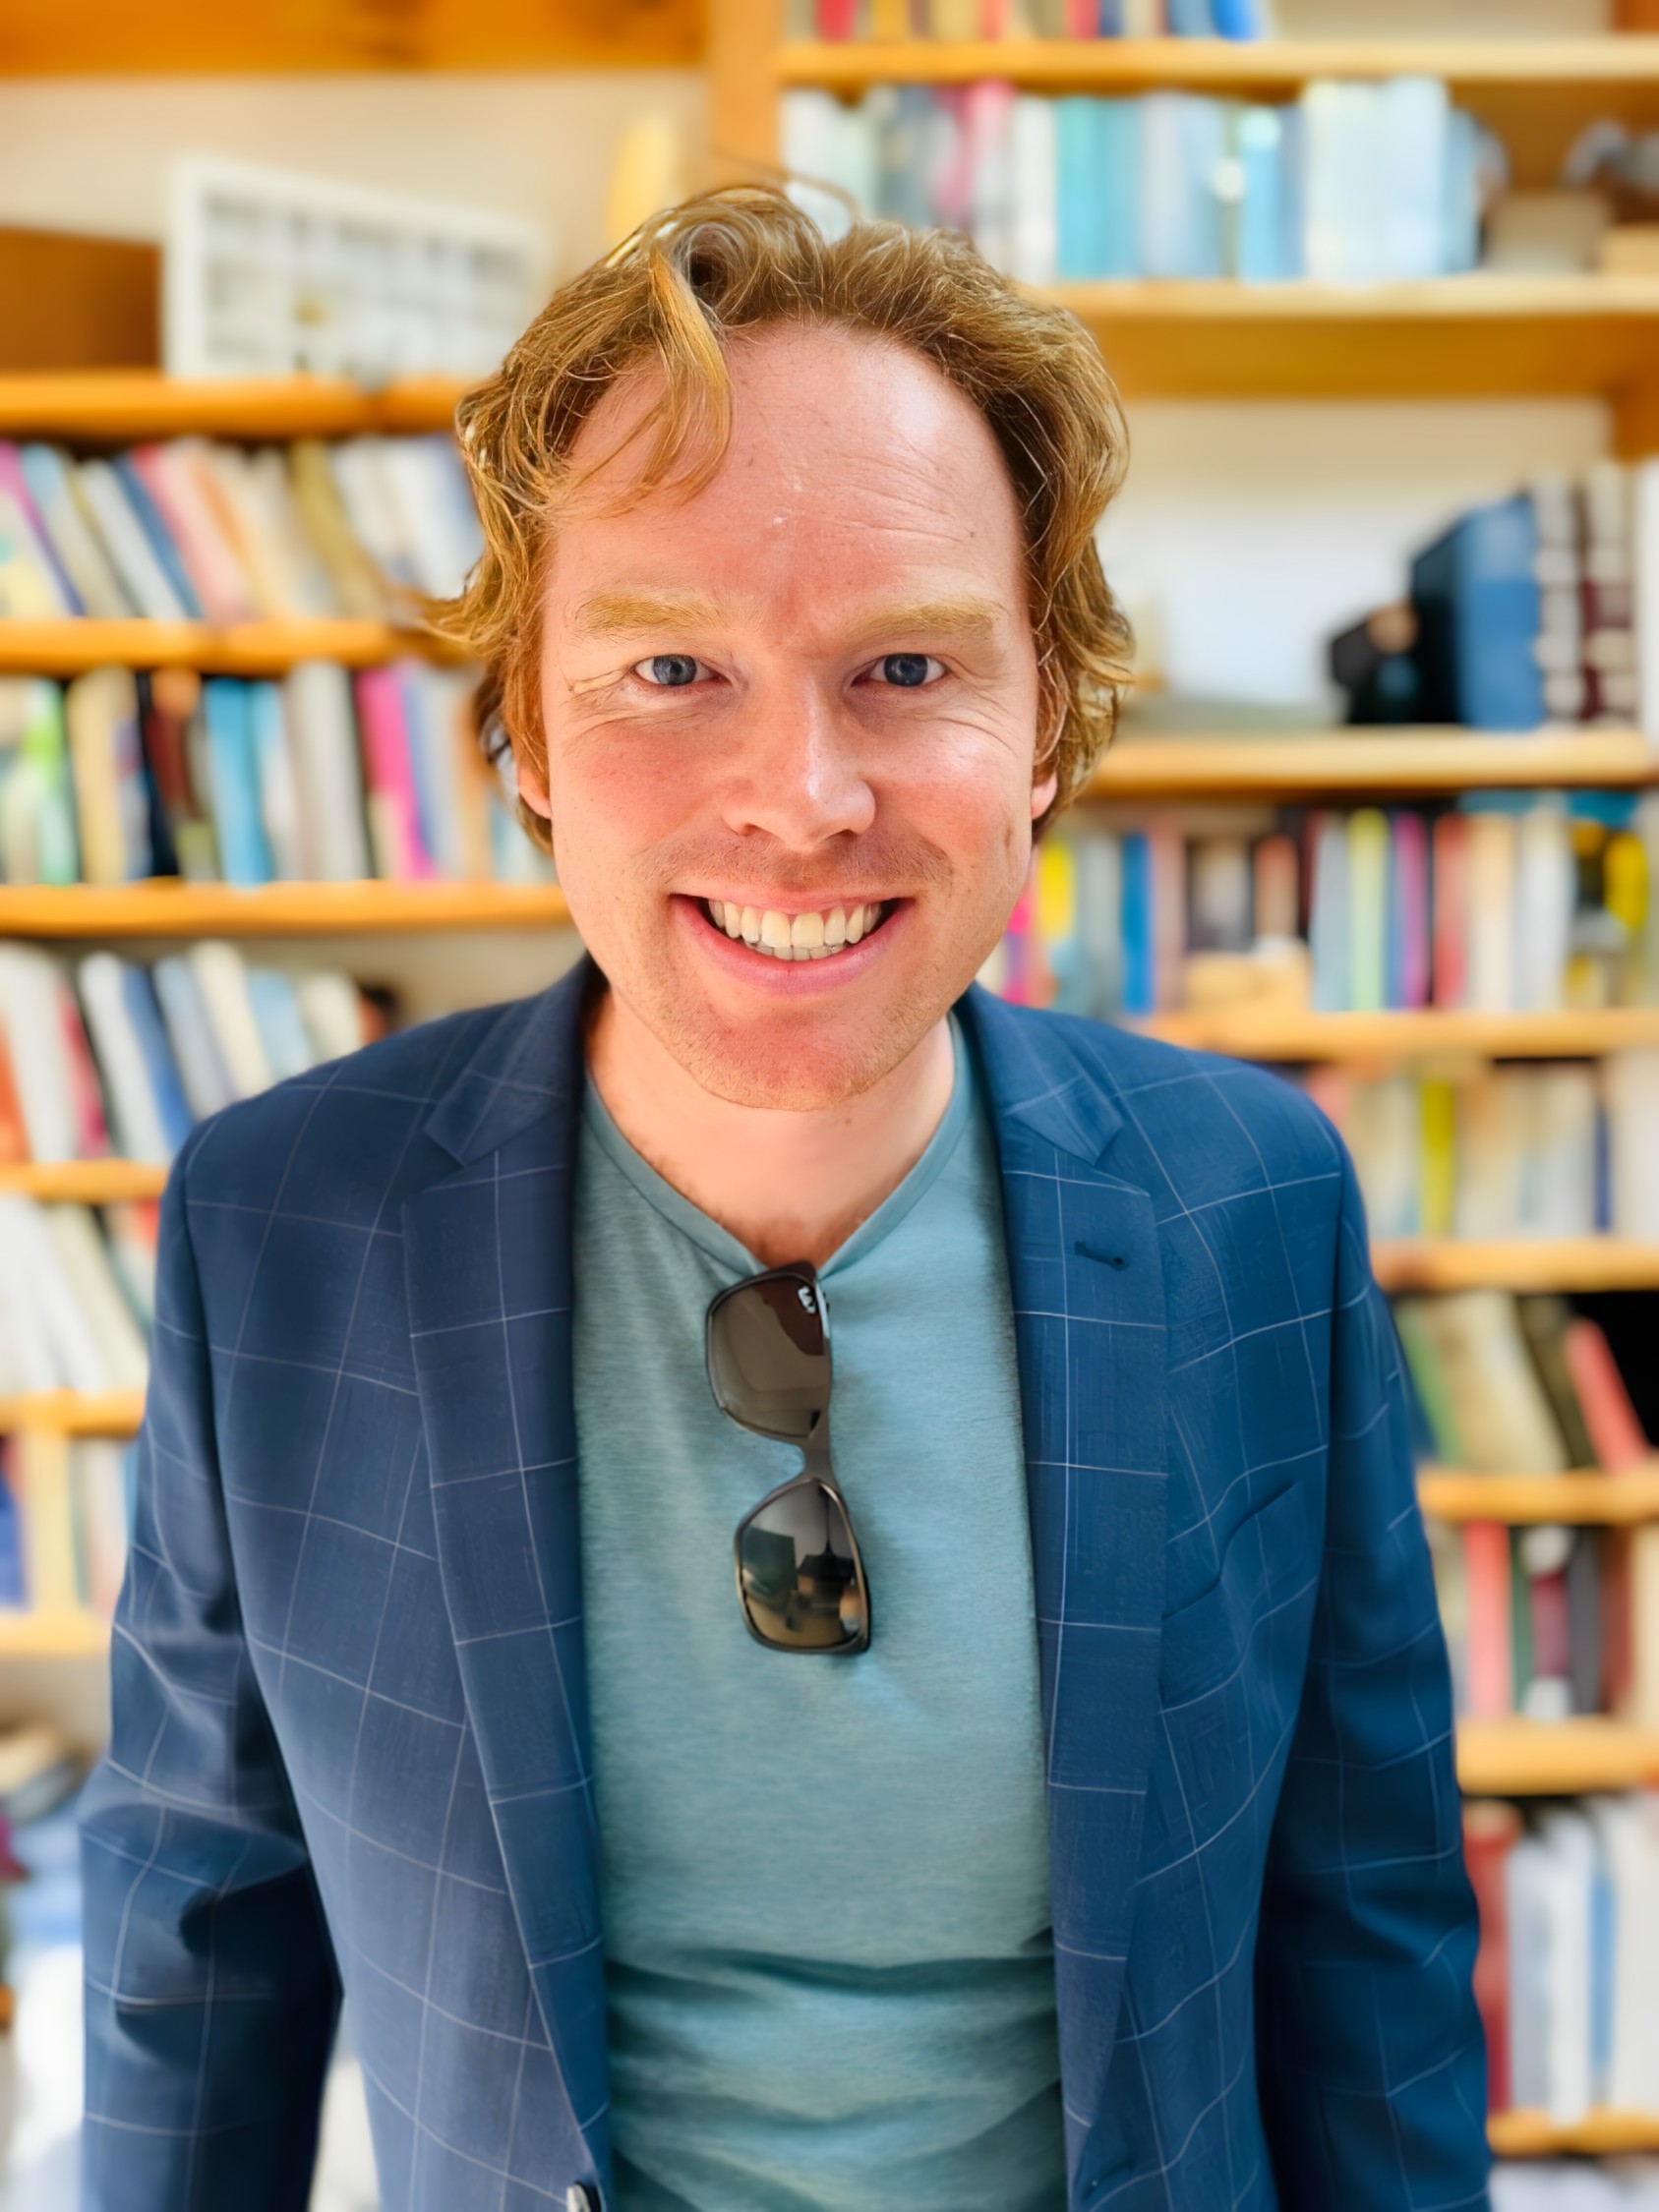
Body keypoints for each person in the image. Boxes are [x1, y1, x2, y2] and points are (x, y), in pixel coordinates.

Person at [80, 190, 1488, 2212]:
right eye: (670, 667)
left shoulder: (1248, 1205)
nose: (802, 796)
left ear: (1046, 725)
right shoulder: (286, 1218)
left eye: (906, 664)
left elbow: (1367, 1941)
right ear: (527, 733)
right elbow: (191, 1940)